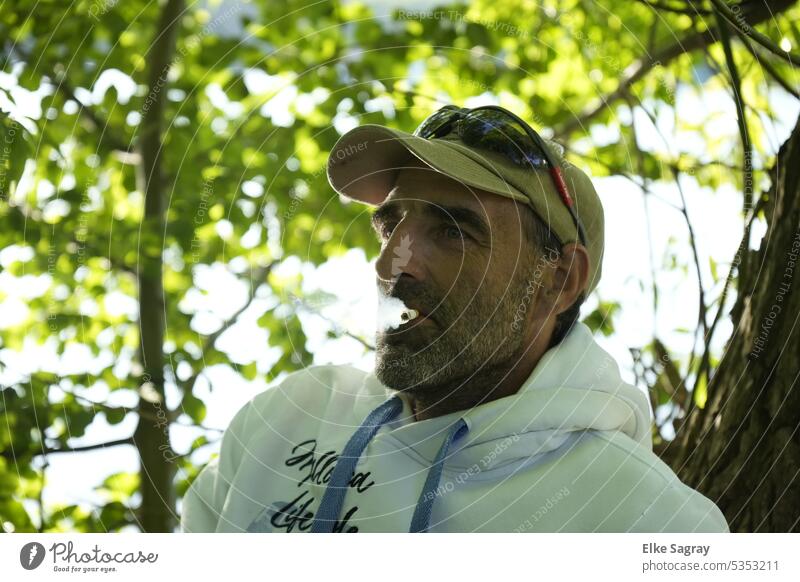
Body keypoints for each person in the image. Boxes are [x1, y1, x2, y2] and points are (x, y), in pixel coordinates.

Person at [181, 105, 729, 533]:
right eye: (389, 224)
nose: (391, 263)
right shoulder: (283, 422)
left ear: (558, 281)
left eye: (451, 230)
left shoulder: (640, 518)